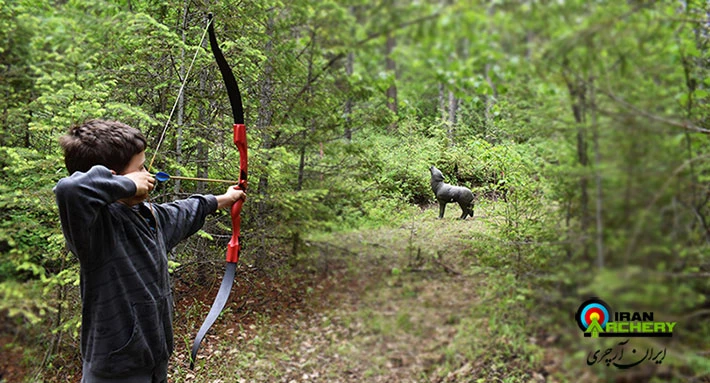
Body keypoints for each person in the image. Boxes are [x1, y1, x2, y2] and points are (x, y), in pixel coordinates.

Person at [53, 119, 246, 383]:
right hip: (115, 371)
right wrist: (129, 185)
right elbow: (69, 190)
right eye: (141, 168)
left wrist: (223, 199)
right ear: (115, 177)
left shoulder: (148, 216)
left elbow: (182, 212)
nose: (148, 175)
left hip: (154, 362)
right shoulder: (95, 230)